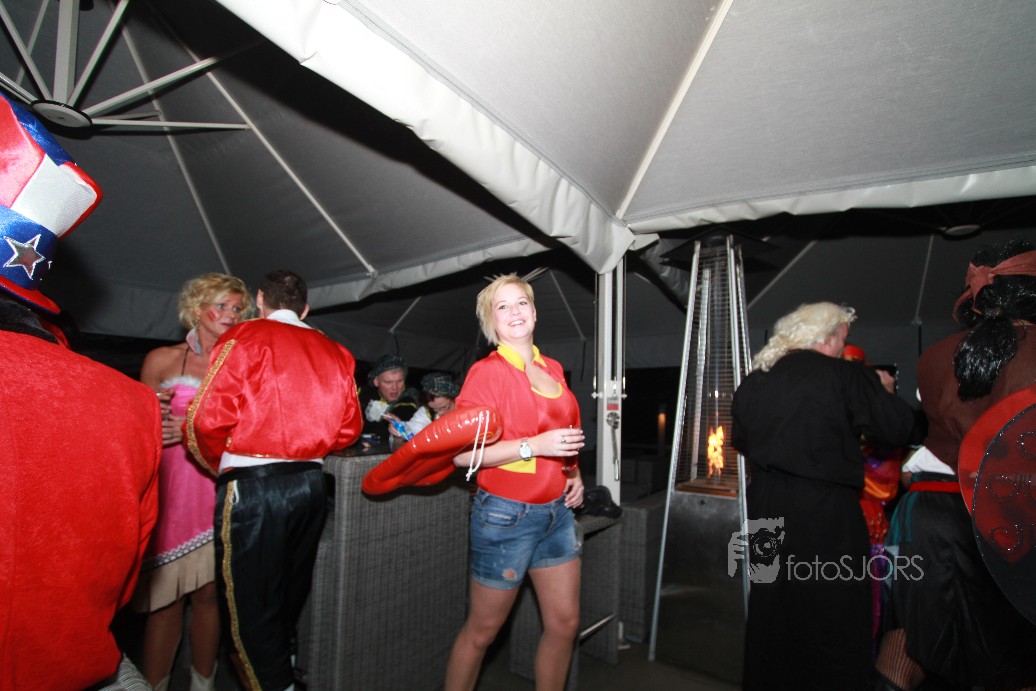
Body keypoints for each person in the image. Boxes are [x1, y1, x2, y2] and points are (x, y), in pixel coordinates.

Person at [0, 92, 161, 689]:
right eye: (219, 304)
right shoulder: (131, 397)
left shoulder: (132, 400)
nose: (229, 313)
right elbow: (123, 584)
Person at [185, 269, 362, 691]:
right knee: (287, 594)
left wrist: (223, 467)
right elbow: (349, 429)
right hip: (311, 484)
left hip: (255, 485)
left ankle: (277, 683)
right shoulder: (337, 352)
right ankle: (287, 671)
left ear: (261, 299)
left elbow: (204, 420)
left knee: (248, 608)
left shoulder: (243, 337)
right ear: (305, 309)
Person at [875, 239, 1036, 690]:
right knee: (1017, 656)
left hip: (930, 516)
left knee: (914, 638)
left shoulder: (934, 357)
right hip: (1014, 523)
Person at [730, 302, 915, 690]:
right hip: (823, 510)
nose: (843, 349)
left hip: (765, 509)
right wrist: (883, 391)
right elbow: (896, 429)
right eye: (842, 340)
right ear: (826, 338)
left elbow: (742, 441)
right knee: (833, 615)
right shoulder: (845, 376)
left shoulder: (754, 380)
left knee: (770, 612)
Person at [444, 274, 586, 691]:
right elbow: (462, 455)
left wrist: (574, 472)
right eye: (502, 306)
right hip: (507, 516)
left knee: (565, 625)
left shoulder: (552, 367)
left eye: (521, 302)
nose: (514, 312)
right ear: (491, 322)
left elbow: (565, 429)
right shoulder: (487, 373)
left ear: (535, 312)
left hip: (558, 514)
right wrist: (533, 446)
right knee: (483, 632)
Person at [133, 273, 254, 691]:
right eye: (221, 305)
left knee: (208, 598)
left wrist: (188, 431)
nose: (230, 314)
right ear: (197, 309)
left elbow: (250, 432)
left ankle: (203, 686)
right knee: (164, 603)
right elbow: (135, 429)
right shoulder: (161, 359)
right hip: (170, 492)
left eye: (237, 308)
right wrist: (152, 422)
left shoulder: (241, 366)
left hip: (215, 490)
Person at [359, 353, 421, 445]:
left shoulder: (409, 399)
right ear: (376, 381)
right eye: (388, 382)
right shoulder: (363, 394)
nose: (395, 387)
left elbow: (402, 418)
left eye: (399, 381)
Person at [400, 371, 461, 437]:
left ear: (455, 400)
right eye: (434, 409)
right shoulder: (427, 412)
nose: (439, 413)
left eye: (444, 407)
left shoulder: (466, 411)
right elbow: (412, 428)